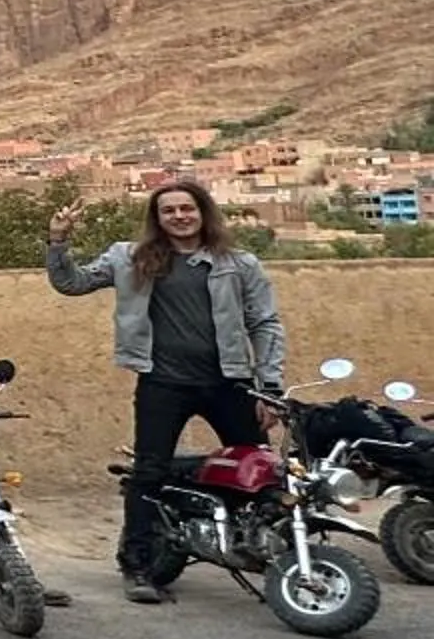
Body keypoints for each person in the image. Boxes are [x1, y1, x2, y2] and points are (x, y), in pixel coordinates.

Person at [49, 178, 286, 605]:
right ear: (157, 219)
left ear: (203, 212)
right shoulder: (130, 258)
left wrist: (269, 388)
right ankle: (137, 565)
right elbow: (71, 283)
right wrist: (58, 241)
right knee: (149, 472)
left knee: (259, 469)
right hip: (163, 383)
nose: (179, 216)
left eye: (187, 208)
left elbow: (264, 324)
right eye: (169, 210)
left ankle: (266, 552)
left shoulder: (239, 264)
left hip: (230, 381)